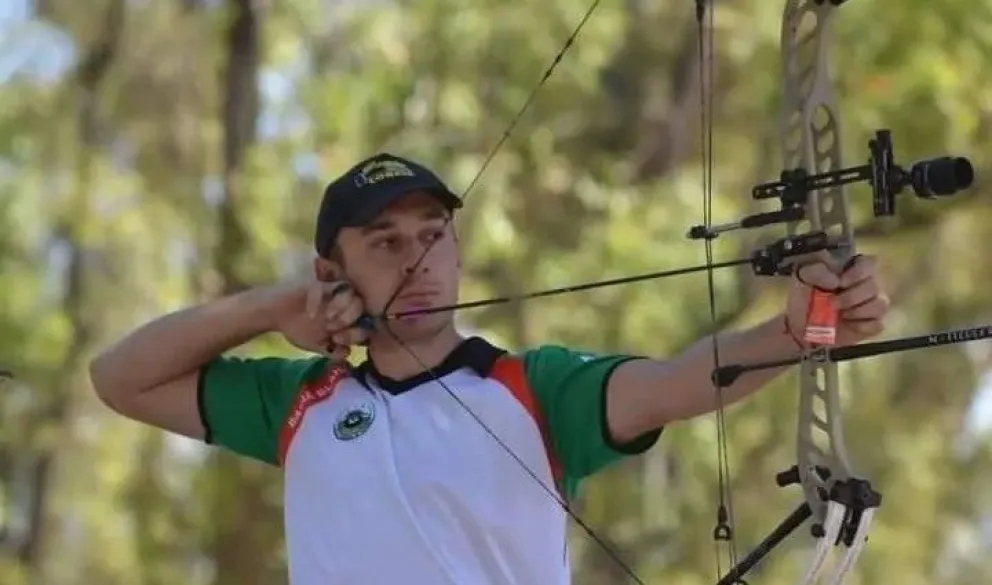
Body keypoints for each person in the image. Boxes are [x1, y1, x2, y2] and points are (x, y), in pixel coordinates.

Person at [88, 153, 889, 585]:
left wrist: (799, 328)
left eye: (433, 234)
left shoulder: (531, 386)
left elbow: (677, 382)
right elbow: (119, 378)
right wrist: (270, 308)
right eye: (385, 242)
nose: (419, 259)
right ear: (331, 269)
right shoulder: (297, 402)